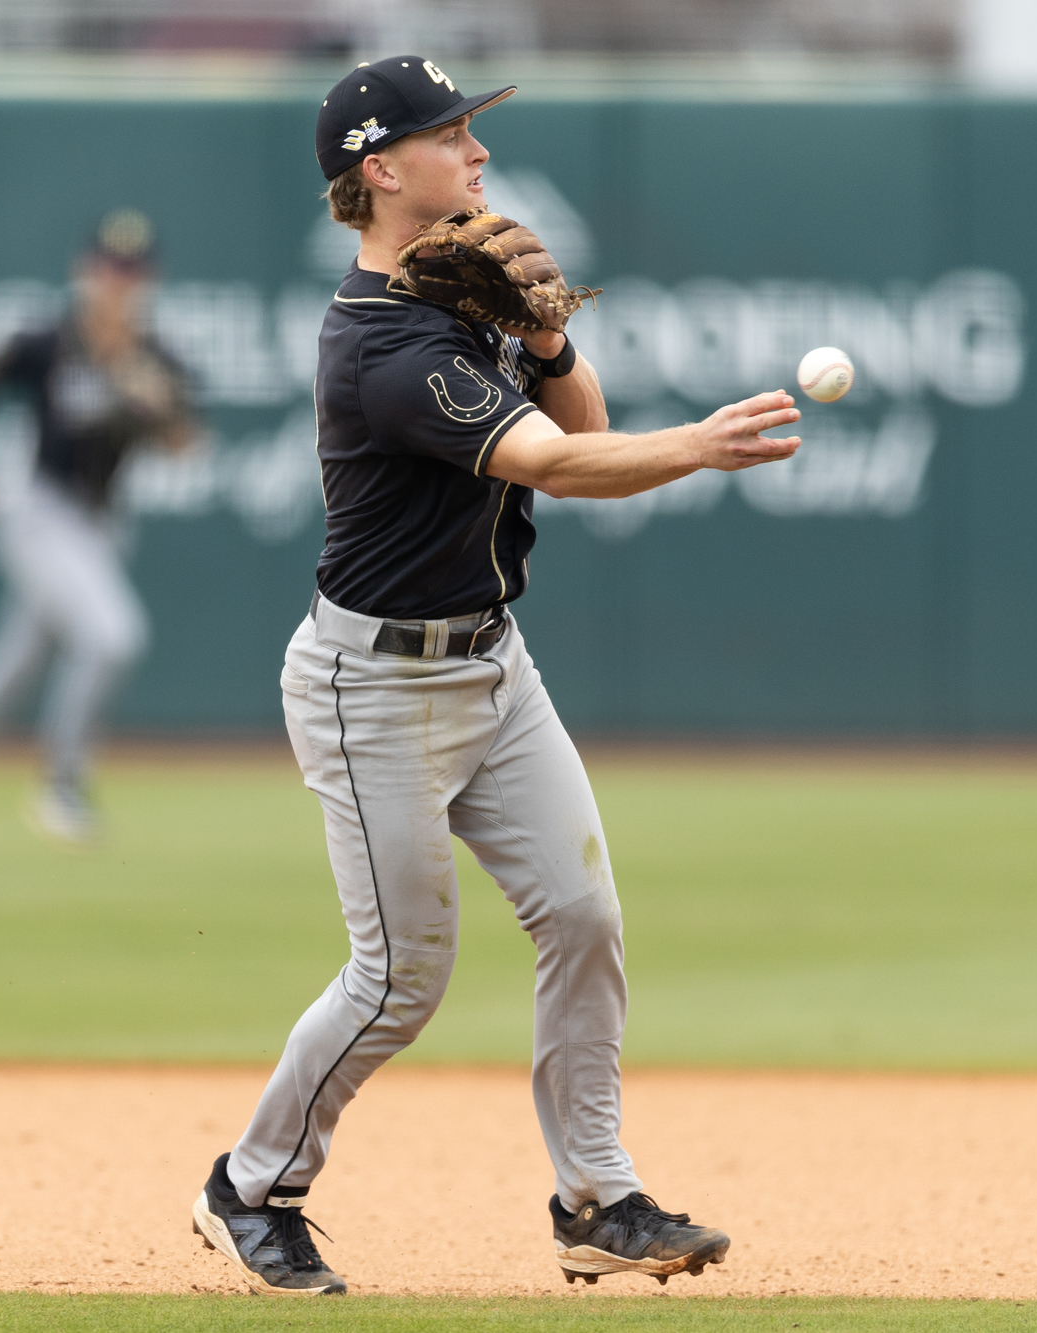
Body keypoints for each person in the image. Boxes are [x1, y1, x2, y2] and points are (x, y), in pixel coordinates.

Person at [187, 57, 803, 1296]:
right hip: (375, 693)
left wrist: (545, 331)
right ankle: (250, 1185)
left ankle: (598, 1199)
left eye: (473, 131)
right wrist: (700, 445)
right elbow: (559, 468)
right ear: (379, 169)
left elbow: (578, 419)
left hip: (489, 664)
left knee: (581, 918)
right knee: (401, 977)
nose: (475, 153)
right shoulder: (382, 348)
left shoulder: (459, 308)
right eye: (450, 134)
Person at [0, 211, 197, 856]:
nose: (119, 283)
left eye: (132, 272)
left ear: (149, 279)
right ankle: (62, 784)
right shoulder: (47, 340)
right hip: (37, 511)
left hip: (102, 523)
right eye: (109, 270)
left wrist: (157, 409)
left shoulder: (156, 355)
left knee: (20, 656)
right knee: (113, 637)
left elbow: (186, 445)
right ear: (85, 271)